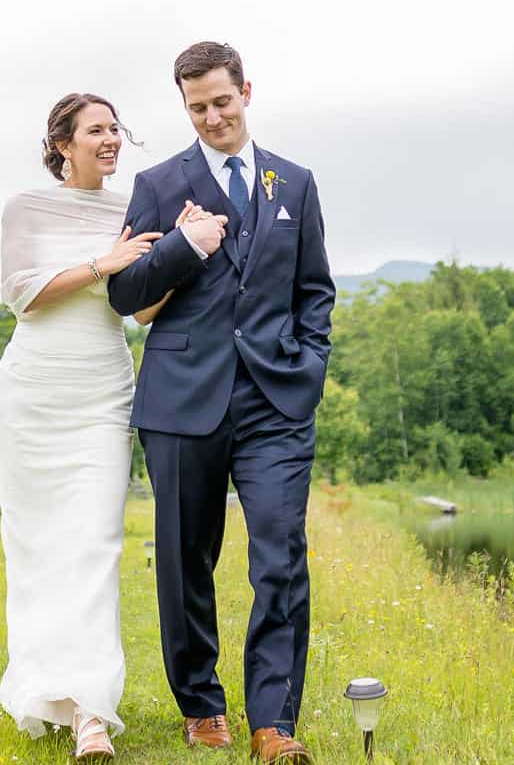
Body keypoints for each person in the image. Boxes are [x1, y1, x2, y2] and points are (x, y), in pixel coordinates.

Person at [107, 42, 333, 765]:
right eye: (197, 107)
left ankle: (273, 721)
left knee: (280, 554)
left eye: (222, 102)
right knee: (184, 561)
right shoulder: (157, 183)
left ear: (246, 93)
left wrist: (309, 367)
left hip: (275, 403)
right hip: (181, 400)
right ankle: (202, 706)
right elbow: (126, 293)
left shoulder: (293, 183)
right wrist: (183, 245)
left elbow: (314, 291)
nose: (211, 117)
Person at [0, 92, 227, 762]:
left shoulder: (133, 207)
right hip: (35, 392)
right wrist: (104, 264)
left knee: (95, 542)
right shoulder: (25, 207)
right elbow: (20, 294)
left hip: (101, 392)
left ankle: (92, 711)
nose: (111, 138)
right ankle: (47, 689)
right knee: (37, 548)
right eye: (96, 130)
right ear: (62, 144)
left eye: (115, 128)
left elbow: (141, 311)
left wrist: (179, 249)